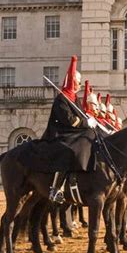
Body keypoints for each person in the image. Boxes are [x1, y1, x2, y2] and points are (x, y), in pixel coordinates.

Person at [42, 56, 98, 203]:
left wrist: (89, 122)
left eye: (80, 83)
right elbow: (70, 121)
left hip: (71, 133)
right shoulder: (62, 99)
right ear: (72, 82)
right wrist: (86, 123)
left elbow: (80, 116)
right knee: (68, 151)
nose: (79, 84)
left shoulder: (74, 99)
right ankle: (56, 188)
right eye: (78, 82)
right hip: (59, 134)